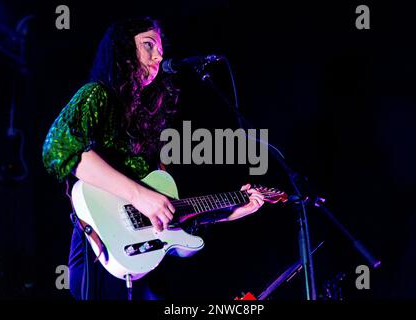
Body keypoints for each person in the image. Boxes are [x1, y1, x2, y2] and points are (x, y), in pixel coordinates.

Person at [42, 17, 264, 300]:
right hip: (100, 253)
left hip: (144, 263)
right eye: (148, 44)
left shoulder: (150, 120)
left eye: (160, 49)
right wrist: (139, 196)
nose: (159, 56)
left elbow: (170, 221)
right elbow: (57, 147)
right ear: (123, 49)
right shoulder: (96, 95)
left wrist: (231, 210)